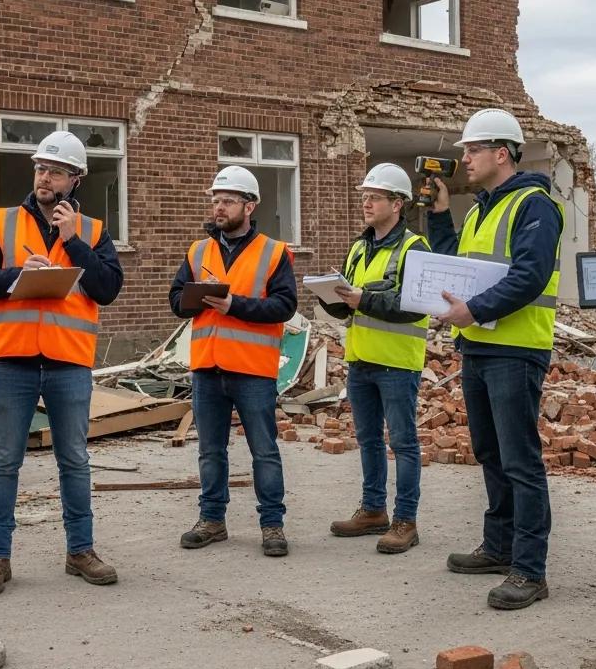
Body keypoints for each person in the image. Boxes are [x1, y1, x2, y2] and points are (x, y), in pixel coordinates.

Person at [0, 130, 124, 596]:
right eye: (39, 168)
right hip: (11, 360)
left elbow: (107, 289)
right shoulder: (1, 224)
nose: (44, 177)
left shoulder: (93, 232)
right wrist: (17, 276)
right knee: (3, 462)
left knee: (73, 459)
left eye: (54, 171)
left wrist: (75, 243)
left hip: (68, 363)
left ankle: (81, 550)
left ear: (75, 179)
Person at [436, 108, 561, 611]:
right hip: (480, 348)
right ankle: (499, 546)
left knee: (520, 460)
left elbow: (529, 276)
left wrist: (474, 309)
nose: (464, 158)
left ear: (502, 153)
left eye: (472, 150)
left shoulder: (536, 205)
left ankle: (529, 569)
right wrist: (441, 213)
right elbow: (456, 266)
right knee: (490, 453)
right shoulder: (480, 209)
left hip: (516, 349)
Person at [169, 166, 297, 556]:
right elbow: (176, 301)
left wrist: (233, 305)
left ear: (249, 205)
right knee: (210, 451)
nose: (218, 207)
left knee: (265, 451)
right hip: (208, 368)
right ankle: (212, 520)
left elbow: (285, 305)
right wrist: (193, 298)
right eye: (216, 200)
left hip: (252, 370)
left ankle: (272, 525)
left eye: (227, 201)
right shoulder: (198, 250)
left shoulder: (274, 252)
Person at [320, 163, 432, 555]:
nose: (366, 203)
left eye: (375, 197)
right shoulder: (357, 247)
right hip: (361, 359)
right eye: (364, 196)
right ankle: (373, 510)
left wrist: (362, 299)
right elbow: (351, 307)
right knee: (367, 439)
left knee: (403, 443)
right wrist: (330, 299)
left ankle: (406, 520)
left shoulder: (415, 248)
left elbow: (417, 306)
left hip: (398, 363)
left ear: (397, 204)